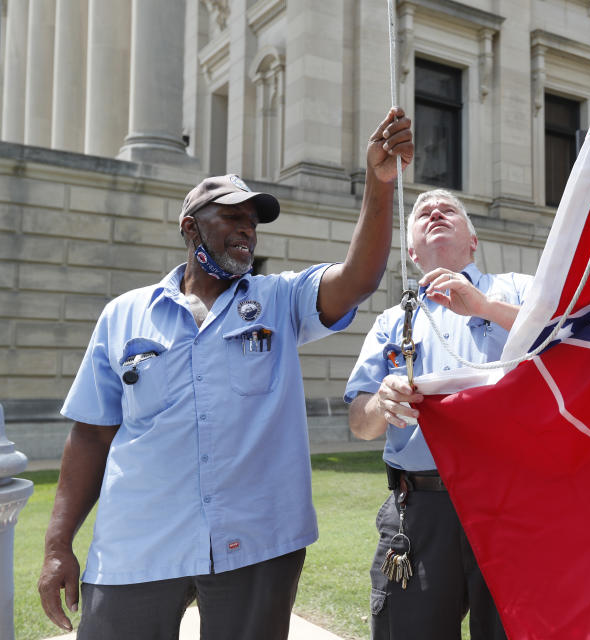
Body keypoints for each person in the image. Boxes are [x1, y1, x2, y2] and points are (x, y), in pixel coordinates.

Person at [36, 107, 413, 640]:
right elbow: (92, 433)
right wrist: (57, 547)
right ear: (190, 227)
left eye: (253, 223)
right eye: (232, 218)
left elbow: (357, 278)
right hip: (138, 546)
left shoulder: (280, 299)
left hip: (256, 545)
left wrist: (379, 184)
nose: (247, 231)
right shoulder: (124, 314)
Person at [345, 188, 533, 640]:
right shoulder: (394, 321)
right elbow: (360, 422)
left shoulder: (518, 290)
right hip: (420, 509)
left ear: (472, 239)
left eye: (447, 209)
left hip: (511, 504)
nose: (433, 212)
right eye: (422, 212)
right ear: (411, 251)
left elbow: (567, 336)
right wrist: (381, 403)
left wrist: (486, 308)